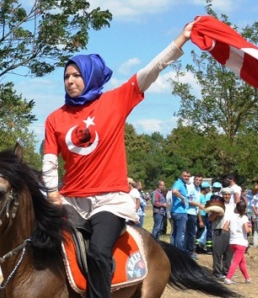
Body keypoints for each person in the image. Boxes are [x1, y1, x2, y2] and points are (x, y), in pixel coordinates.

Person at [41, 20, 197, 298]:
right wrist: (52, 192)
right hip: (70, 200)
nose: (70, 81)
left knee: (99, 252)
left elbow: (150, 72)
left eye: (76, 75)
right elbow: (50, 160)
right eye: (66, 77)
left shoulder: (115, 101)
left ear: (89, 76)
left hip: (109, 201)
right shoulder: (55, 118)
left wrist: (181, 39)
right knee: (40, 243)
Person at [223, 200, 252, 284]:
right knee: (236, 261)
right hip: (241, 242)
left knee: (242, 261)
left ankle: (247, 278)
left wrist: (232, 231)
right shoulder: (244, 218)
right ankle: (228, 278)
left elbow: (225, 228)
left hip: (232, 241)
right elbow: (247, 230)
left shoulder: (231, 216)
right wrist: (250, 228)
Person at [209, 188, 234, 279]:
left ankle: (226, 271)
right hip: (219, 230)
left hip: (231, 231)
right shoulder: (217, 204)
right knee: (218, 253)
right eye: (225, 194)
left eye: (228, 194)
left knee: (229, 253)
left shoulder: (233, 206)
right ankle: (217, 272)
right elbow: (210, 218)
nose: (227, 196)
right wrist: (216, 213)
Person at [171, 170, 191, 250]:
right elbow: (174, 191)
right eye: (185, 176)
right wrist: (182, 198)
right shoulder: (179, 183)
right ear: (181, 176)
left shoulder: (182, 184)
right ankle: (179, 252)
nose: (186, 177)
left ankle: (172, 250)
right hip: (180, 212)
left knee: (175, 233)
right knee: (180, 234)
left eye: (188, 176)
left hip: (176, 211)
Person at [185, 174, 203, 259]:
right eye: (197, 180)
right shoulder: (190, 188)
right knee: (190, 233)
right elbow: (189, 200)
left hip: (194, 213)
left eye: (200, 180)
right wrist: (199, 205)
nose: (198, 181)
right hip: (189, 212)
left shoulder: (198, 189)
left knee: (192, 233)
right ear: (194, 180)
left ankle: (190, 250)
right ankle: (189, 252)